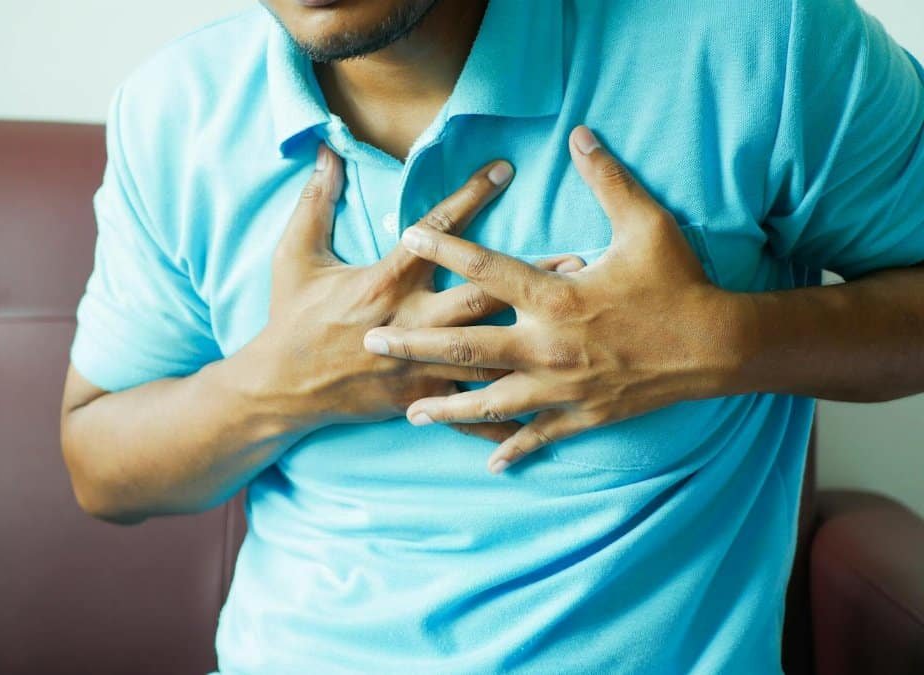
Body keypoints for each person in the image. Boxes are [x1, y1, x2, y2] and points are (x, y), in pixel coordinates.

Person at [58, 0, 924, 671]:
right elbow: (99, 463)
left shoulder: (759, 39)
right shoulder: (171, 113)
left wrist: (719, 343)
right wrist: (279, 383)